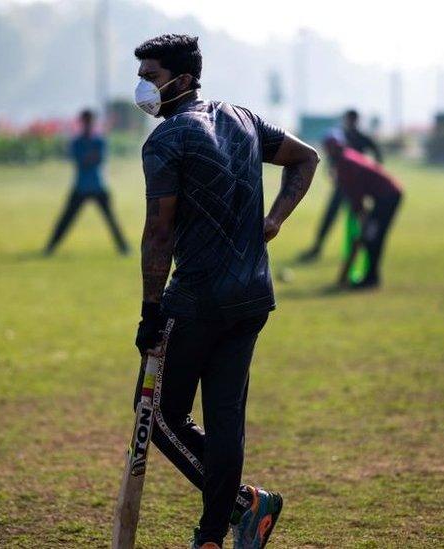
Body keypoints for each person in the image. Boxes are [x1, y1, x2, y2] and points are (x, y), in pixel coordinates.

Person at [131, 34, 319, 549]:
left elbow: (159, 232)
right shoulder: (243, 118)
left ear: (182, 79)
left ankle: (242, 504)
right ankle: (212, 537)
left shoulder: (166, 140)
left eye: (150, 77)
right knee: (225, 421)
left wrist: (150, 311)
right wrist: (274, 221)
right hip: (253, 296)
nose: (143, 88)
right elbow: (307, 159)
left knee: (159, 418)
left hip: (196, 301)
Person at [298, 108, 384, 262]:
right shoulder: (340, 136)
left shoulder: (361, 137)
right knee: (329, 216)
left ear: (356, 120)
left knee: (355, 221)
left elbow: (377, 153)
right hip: (341, 186)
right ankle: (317, 248)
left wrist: (370, 174)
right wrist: (332, 173)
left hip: (356, 187)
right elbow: (332, 160)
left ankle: (357, 253)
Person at [43, 109, 129, 255]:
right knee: (66, 219)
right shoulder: (79, 142)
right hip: (81, 187)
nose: (88, 124)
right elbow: (82, 161)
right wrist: (91, 156)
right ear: (82, 122)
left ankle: (124, 248)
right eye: (86, 121)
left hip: (98, 186)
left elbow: (97, 159)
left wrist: (88, 157)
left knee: (111, 220)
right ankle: (50, 248)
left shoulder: (98, 141)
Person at [325, 141, 403, 290]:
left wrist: (362, 220)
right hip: (385, 196)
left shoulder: (344, 164)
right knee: (371, 237)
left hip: (387, 197)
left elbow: (357, 194)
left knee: (372, 237)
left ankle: (371, 279)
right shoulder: (347, 156)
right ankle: (371, 277)